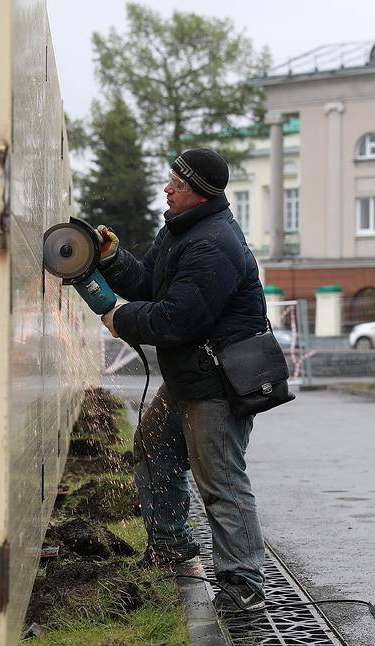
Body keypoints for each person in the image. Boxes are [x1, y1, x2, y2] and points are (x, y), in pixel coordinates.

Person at [96, 148, 268, 613]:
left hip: (218, 382)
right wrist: (112, 260)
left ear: (198, 191)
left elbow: (177, 319)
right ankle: (170, 546)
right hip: (192, 375)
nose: (167, 188)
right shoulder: (182, 230)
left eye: (176, 182)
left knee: (222, 482)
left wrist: (119, 317)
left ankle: (244, 584)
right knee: (153, 449)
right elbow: (150, 281)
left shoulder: (213, 245)